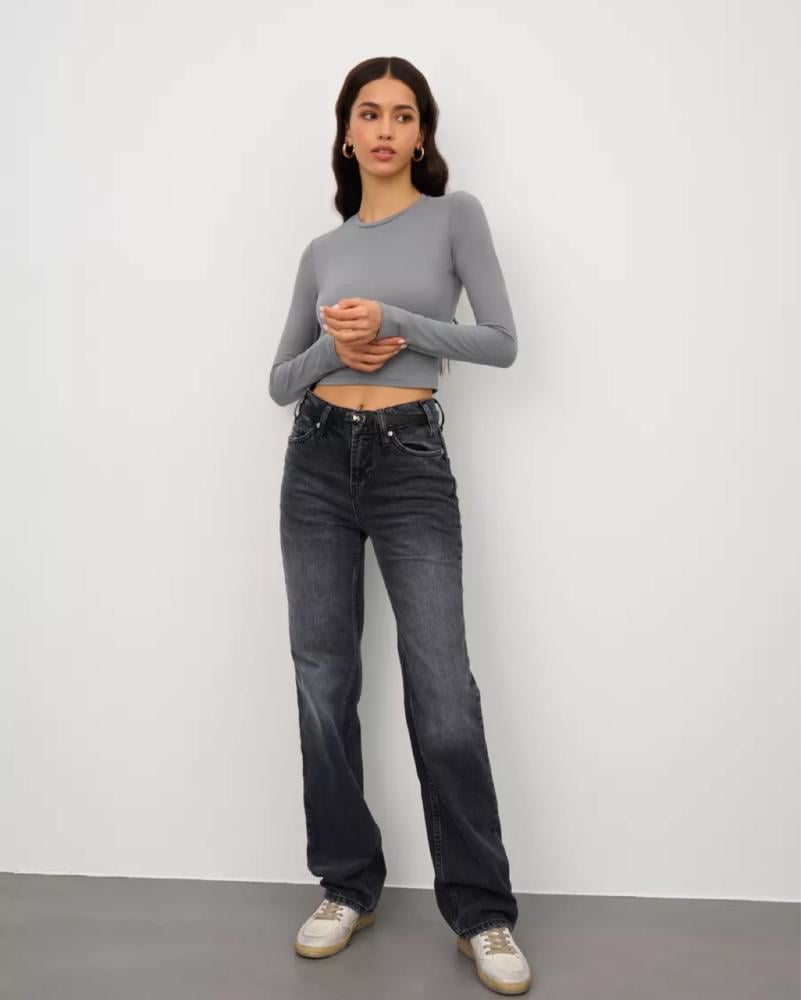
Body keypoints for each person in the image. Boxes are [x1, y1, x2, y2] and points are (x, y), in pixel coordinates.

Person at [269, 56, 533, 995]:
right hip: (315, 459)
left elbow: (501, 342)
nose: (385, 128)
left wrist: (396, 322)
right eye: (369, 113)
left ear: (422, 135)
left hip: (410, 458)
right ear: (346, 132)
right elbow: (278, 381)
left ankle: (481, 910)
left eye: (404, 115)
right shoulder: (321, 250)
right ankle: (346, 884)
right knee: (322, 679)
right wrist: (331, 348)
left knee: (441, 687)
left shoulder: (455, 217)